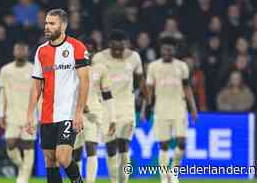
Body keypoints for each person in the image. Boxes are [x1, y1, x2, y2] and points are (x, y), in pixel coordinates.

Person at [26, 9, 89, 183]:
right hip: (47, 114)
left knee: (63, 157)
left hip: (68, 113)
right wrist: (30, 114)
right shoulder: (41, 51)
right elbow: (36, 85)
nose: (47, 27)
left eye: (52, 23)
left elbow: (85, 82)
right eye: (46, 23)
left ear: (63, 25)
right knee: (50, 160)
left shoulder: (76, 47)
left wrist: (78, 112)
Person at [92, 29, 147, 183]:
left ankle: (124, 181)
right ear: (109, 45)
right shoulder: (99, 58)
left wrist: (146, 103)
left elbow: (141, 80)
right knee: (110, 148)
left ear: (126, 45)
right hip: (106, 108)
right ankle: (115, 181)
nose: (118, 51)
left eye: (121, 48)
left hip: (127, 108)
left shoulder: (134, 58)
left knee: (124, 147)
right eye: (115, 48)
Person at [146, 37, 198, 183]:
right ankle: (164, 176)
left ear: (174, 50)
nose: (168, 51)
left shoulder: (182, 66)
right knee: (163, 144)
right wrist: (145, 108)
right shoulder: (153, 67)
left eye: (171, 49)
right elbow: (149, 90)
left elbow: (187, 88)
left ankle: (174, 170)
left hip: (179, 108)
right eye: (165, 48)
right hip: (161, 109)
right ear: (161, 50)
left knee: (182, 141)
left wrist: (193, 108)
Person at [73, 39, 116, 183]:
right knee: (76, 153)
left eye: (90, 50)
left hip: (94, 114)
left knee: (91, 147)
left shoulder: (101, 69)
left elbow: (107, 95)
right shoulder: (71, 69)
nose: (88, 53)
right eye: (85, 50)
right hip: (74, 115)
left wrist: (112, 118)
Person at [0, 42, 36, 183]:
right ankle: (22, 167)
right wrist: (1, 114)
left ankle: (23, 178)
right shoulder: (5, 70)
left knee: (28, 146)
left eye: (23, 50)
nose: (20, 52)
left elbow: (41, 94)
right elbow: (2, 94)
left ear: (28, 52)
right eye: (18, 50)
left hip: (30, 116)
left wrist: (43, 113)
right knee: (10, 144)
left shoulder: (34, 69)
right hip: (11, 115)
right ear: (14, 52)